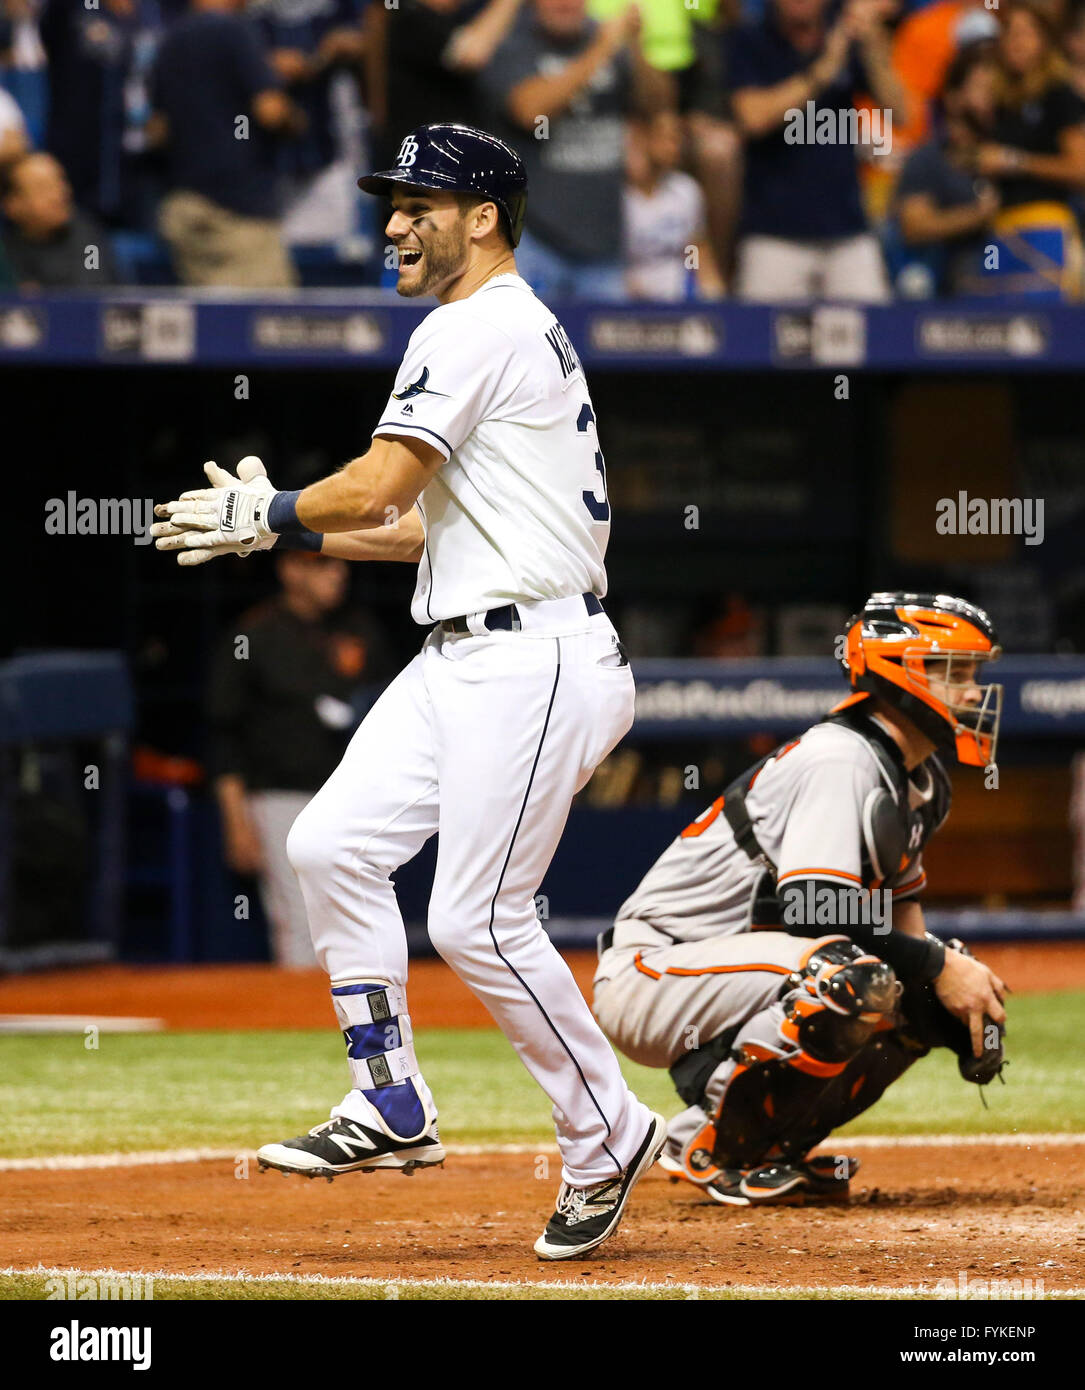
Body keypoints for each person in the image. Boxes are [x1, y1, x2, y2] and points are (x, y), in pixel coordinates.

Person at [152, 123, 664, 1261]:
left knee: (475, 919)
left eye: (418, 204)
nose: (392, 223)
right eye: (391, 203)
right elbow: (430, 525)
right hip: (470, 648)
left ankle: (606, 1132)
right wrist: (273, 535)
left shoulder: (473, 323)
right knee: (330, 845)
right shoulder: (504, 329)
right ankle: (390, 1098)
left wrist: (276, 508)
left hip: (532, 657)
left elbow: (381, 480)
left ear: (482, 217)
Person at [592, 593, 1008, 1205]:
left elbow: (900, 924)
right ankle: (708, 1144)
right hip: (657, 971)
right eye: (956, 672)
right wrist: (941, 965)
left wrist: (947, 989)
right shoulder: (839, 758)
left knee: (922, 992)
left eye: (975, 674)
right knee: (853, 978)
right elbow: (816, 907)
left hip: (743, 970)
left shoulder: (920, 779)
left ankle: (767, 1146)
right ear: (901, 670)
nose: (974, 692)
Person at [207, 546, 394, 969]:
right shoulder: (252, 636)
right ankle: (307, 1022)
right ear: (291, 568)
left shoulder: (360, 628)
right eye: (323, 563)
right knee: (300, 918)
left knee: (358, 916)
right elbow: (225, 738)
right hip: (280, 797)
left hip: (352, 798)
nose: (339, 572)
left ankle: (365, 1010)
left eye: (338, 560)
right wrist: (236, 822)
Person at [479, 0, 669, 299]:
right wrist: (603, 48)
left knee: (603, 344)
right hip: (533, 241)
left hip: (603, 243)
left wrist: (636, 48)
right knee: (528, 342)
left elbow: (657, 104)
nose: (565, 4)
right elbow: (530, 110)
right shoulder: (513, 43)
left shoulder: (607, 37)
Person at [728, 0, 906, 302]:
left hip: (847, 231)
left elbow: (900, 113)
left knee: (880, 340)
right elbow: (753, 118)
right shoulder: (751, 38)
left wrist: (874, 51)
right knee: (754, 342)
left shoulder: (845, 32)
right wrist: (824, 70)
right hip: (773, 233)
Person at [148, 0, 305, 287]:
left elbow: (158, 130)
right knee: (267, 324)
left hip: (184, 209)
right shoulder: (235, 31)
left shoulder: (169, 39)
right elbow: (270, 111)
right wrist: (295, 118)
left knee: (210, 324)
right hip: (237, 213)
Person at [893, 45, 1001, 295]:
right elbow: (914, 225)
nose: (991, 99)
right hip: (948, 277)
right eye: (982, 89)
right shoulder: (928, 158)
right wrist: (978, 216)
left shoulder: (1009, 148)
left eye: (995, 89)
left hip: (1008, 266)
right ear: (953, 97)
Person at [624, 109, 726, 299]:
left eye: (677, 139)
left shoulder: (686, 190)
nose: (674, 147)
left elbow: (697, 250)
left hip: (678, 298)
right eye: (667, 138)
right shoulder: (621, 195)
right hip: (629, 297)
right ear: (644, 138)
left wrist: (714, 298)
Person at [1, 150, 116, 287]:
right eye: (43, 188)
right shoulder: (5, 251)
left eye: (60, 182)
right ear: (12, 205)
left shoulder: (89, 241)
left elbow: (93, 291)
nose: (60, 194)